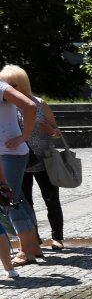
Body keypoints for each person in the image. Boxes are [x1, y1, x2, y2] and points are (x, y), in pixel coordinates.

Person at [1, 66, 65, 252]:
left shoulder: (38, 103)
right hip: (23, 161)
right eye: (5, 84)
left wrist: (50, 131)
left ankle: (57, 237)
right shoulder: (7, 105)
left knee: (51, 199)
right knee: (25, 201)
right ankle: (34, 240)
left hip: (44, 158)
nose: (9, 88)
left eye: (13, 84)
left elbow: (56, 132)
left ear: (22, 84)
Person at [0, 66, 40, 268]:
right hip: (8, 153)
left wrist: (23, 136)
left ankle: (25, 251)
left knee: (9, 200)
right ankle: (33, 247)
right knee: (17, 198)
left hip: (10, 152)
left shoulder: (1, 87)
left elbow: (30, 105)